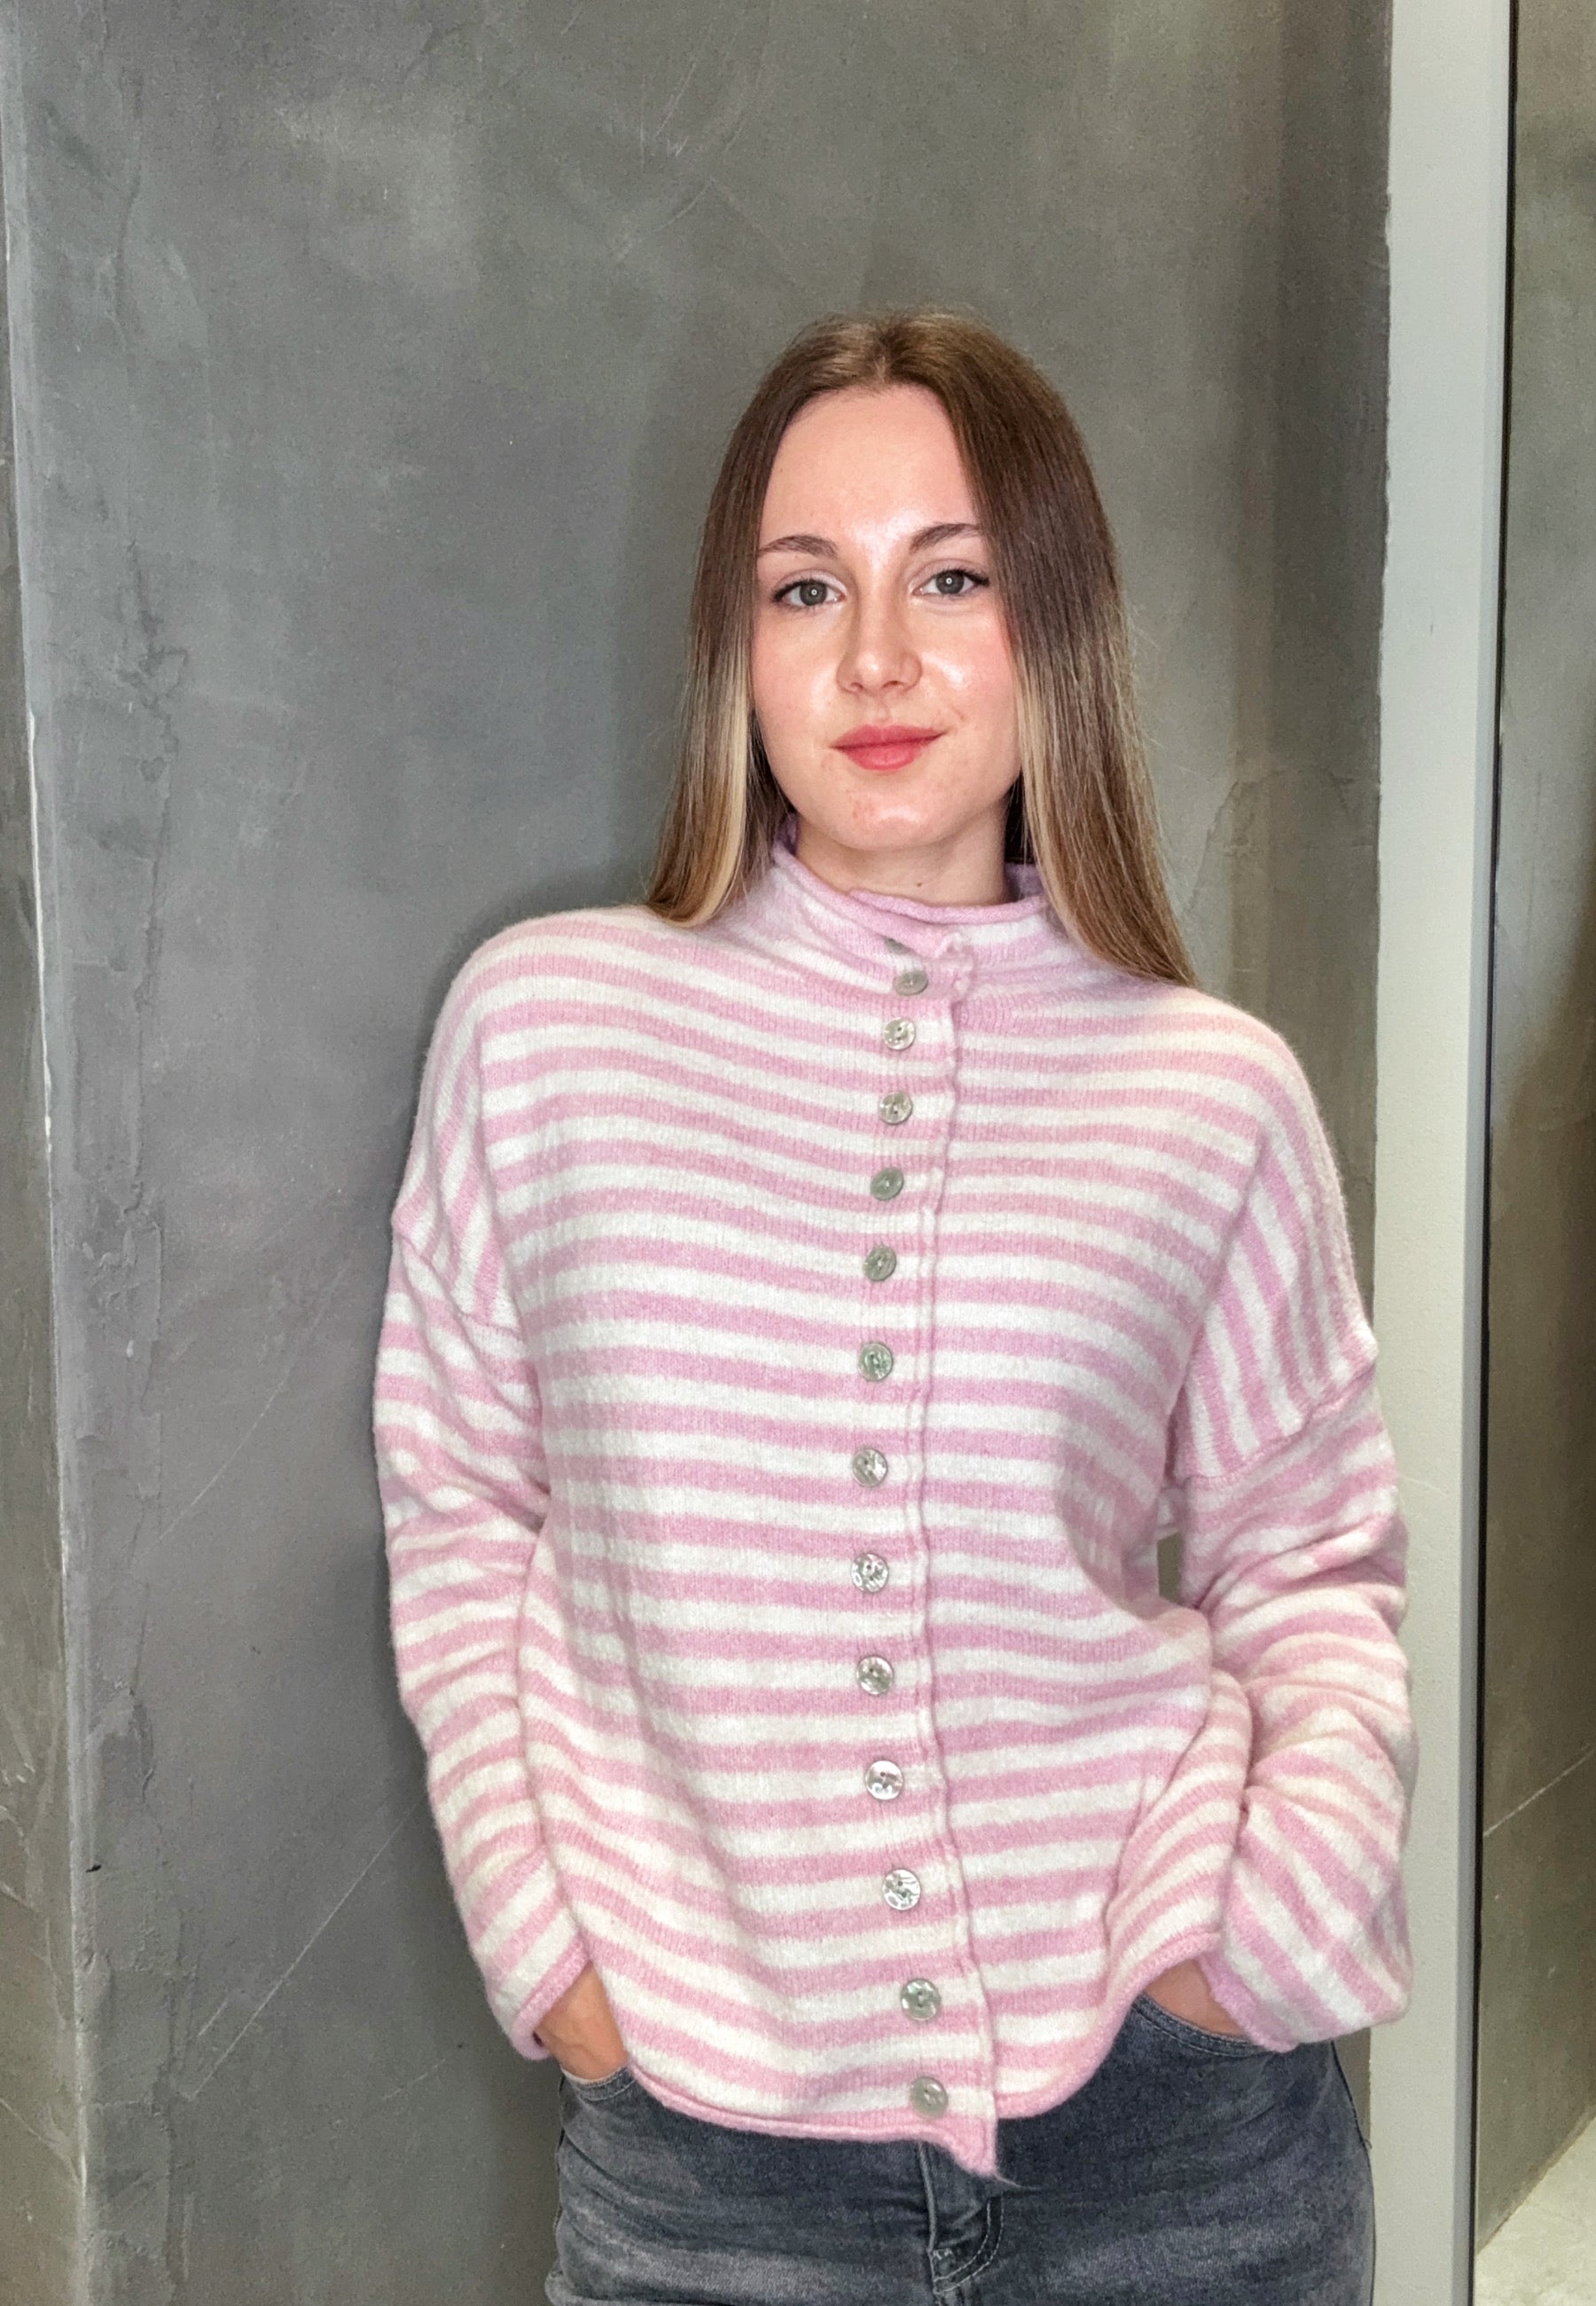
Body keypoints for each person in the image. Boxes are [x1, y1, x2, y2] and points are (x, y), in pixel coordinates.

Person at [372, 310, 1416, 2303]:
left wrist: (1257, 1947)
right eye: (804, 589)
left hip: (1181, 2144)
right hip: (704, 2168)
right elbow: (462, 1505)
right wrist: (549, 1951)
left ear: (1057, 626)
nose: (873, 658)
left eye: (952, 578)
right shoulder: (546, 1030)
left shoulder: (1212, 1093)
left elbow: (1309, 1562)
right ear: (736, 647)